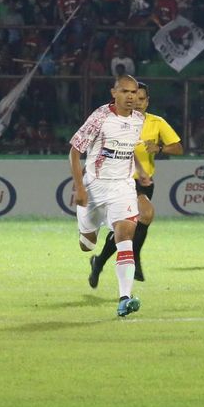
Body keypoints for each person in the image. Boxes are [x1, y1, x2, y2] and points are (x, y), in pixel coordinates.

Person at [88, 81, 184, 288]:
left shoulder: (156, 123)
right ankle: (134, 259)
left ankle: (99, 261)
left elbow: (177, 148)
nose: (137, 102)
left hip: (144, 182)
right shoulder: (117, 121)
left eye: (142, 99)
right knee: (145, 215)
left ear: (147, 102)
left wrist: (158, 148)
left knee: (128, 228)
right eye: (133, 97)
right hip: (119, 181)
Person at [69, 75, 149, 317]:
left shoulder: (138, 120)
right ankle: (90, 240)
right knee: (87, 245)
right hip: (94, 187)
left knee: (125, 234)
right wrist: (80, 189)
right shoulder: (100, 117)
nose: (131, 97)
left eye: (134, 92)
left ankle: (124, 298)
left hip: (123, 188)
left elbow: (128, 148)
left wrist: (141, 170)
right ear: (114, 92)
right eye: (125, 91)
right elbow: (74, 152)